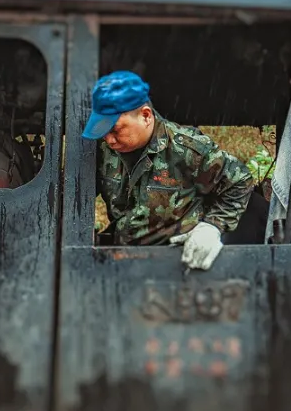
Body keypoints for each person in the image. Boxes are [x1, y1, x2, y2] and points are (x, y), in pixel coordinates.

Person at [82, 70, 255, 270]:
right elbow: (75, 193)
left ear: (146, 116)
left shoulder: (187, 149)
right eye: (103, 132)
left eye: (115, 130)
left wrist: (212, 226)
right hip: (125, 259)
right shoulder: (102, 151)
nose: (109, 140)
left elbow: (240, 181)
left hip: (175, 262)